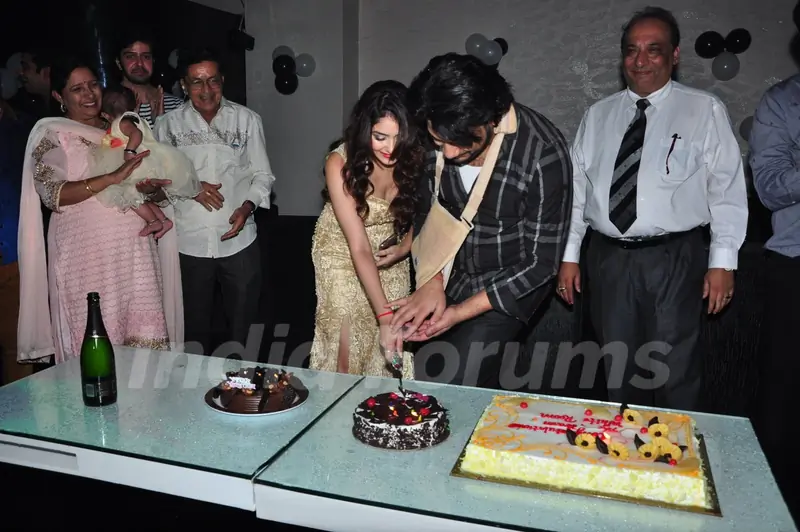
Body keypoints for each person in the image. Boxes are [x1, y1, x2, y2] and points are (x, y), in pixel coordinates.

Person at [556, 7, 748, 410]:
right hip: (607, 259)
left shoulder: (703, 109)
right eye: (631, 50)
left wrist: (723, 262)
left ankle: (676, 464)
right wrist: (570, 257)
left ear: (674, 55)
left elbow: (727, 188)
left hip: (674, 258)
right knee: (616, 370)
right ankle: (628, 461)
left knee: (674, 370)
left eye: (653, 50)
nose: (640, 61)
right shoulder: (598, 116)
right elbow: (577, 191)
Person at [391, 53, 572, 389]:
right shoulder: (437, 127)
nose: (446, 153)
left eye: (458, 141)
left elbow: (541, 264)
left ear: (491, 117)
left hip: (509, 281)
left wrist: (458, 313)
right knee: (423, 379)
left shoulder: (541, 151)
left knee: (455, 380)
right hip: (450, 271)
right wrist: (431, 281)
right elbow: (426, 211)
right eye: (438, 142)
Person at [17, 57, 183, 364]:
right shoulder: (53, 132)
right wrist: (110, 178)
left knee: (144, 349)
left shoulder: (120, 130)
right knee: (95, 342)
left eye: (93, 84)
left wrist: (151, 189)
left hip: (135, 251)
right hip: (86, 257)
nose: (89, 94)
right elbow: (52, 193)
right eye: (77, 89)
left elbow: (151, 192)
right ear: (59, 96)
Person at [154, 48, 275, 356]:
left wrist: (247, 207)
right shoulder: (167, 126)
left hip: (240, 241)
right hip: (187, 242)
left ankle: (243, 391)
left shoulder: (247, 120)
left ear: (223, 80)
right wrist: (191, 187)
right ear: (184, 85)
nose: (206, 90)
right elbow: (156, 183)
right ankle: (193, 395)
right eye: (197, 82)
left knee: (244, 330)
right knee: (192, 332)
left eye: (213, 81)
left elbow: (263, 175)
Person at [309, 80, 422, 379]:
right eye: (380, 137)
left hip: (391, 254)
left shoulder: (416, 156)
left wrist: (407, 245)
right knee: (345, 351)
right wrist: (383, 315)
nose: (390, 148)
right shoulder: (340, 162)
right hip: (342, 253)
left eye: (400, 138)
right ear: (364, 130)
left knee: (388, 350)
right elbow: (358, 246)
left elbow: (432, 212)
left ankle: (382, 417)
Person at [748, 61, 800, 518]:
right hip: (795, 266)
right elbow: (768, 188)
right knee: (784, 404)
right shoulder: (781, 103)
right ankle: (774, 515)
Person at [91, 85, 201, 239]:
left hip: (137, 164)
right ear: (135, 106)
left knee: (127, 193)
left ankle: (153, 221)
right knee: (137, 196)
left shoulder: (122, 122)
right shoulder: (136, 119)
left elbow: (136, 135)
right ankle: (163, 220)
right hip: (146, 161)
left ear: (105, 115)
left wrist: (129, 151)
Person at [116, 29, 183, 128]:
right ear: (118, 63)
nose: (139, 63)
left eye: (146, 57)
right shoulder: (108, 107)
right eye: (130, 57)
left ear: (153, 61)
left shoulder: (177, 106)